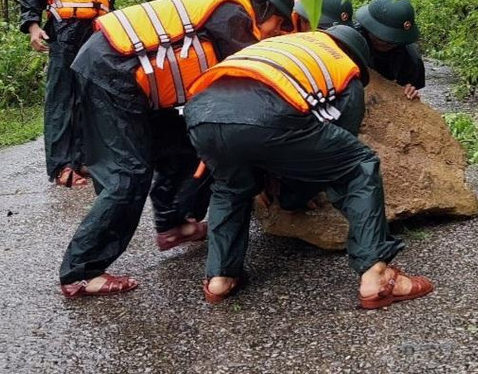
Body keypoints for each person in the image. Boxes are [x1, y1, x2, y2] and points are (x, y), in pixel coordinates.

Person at [59, 0, 295, 298]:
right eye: (278, 25)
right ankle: (81, 271)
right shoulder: (233, 13)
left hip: (132, 81)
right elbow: (252, 76)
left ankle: (172, 224)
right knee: (129, 175)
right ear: (266, 8)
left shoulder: (226, 7)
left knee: (186, 145)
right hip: (111, 71)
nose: (275, 33)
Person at [184, 26, 434, 309]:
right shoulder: (345, 69)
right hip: (264, 115)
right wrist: (294, 195)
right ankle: (377, 275)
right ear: (358, 58)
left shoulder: (290, 44)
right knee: (358, 163)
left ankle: (220, 277)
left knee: (229, 188)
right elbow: (335, 154)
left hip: (200, 114)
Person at [19, 0, 117, 187]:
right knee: (62, 97)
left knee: (90, 96)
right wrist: (33, 25)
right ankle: (61, 167)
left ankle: (83, 159)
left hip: (95, 30)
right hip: (64, 29)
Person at [354, 0, 425, 100]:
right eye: (381, 38)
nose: (386, 43)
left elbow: (410, 88)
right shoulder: (352, 41)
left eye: (392, 40)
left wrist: (409, 92)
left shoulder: (411, 59)